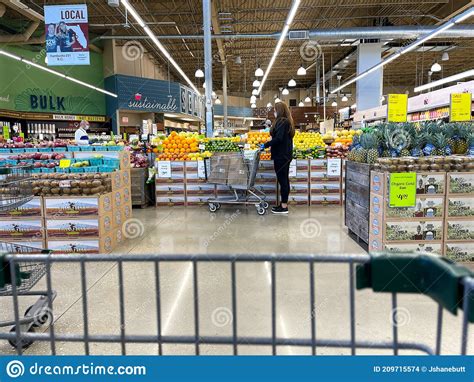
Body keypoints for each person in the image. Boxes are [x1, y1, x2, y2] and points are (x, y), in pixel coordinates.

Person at [262, 102, 295, 214]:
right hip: (284, 155)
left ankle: (284, 206)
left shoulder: (283, 122)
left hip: (282, 156)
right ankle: (283, 204)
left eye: (275, 110)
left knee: (283, 181)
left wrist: (265, 145)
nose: (274, 112)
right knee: (284, 180)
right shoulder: (286, 121)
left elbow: (279, 138)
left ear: (279, 110)